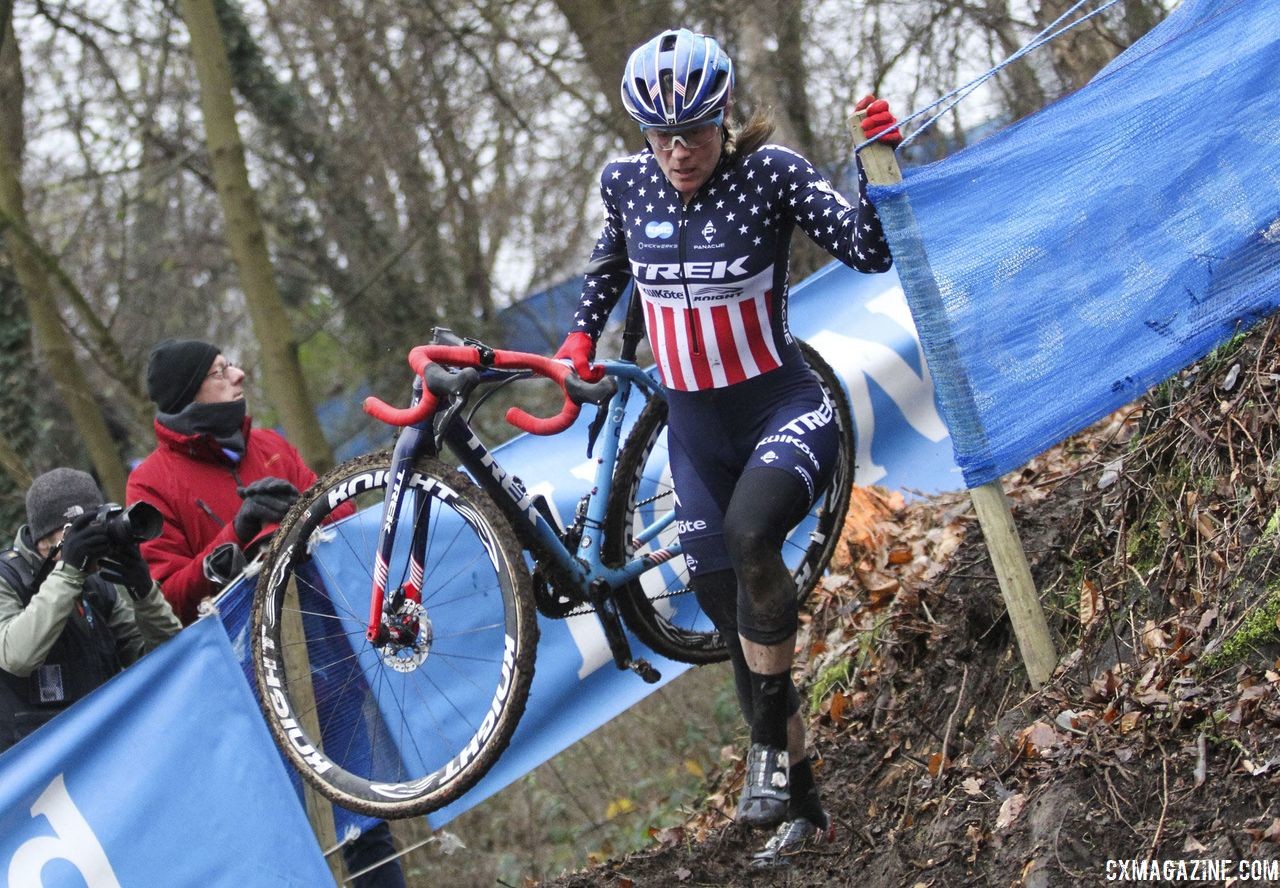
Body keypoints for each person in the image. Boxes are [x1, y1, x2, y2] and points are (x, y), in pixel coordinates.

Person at [554, 29, 901, 866]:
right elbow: (607, 267)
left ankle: (767, 759)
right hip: (693, 435)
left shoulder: (771, 174)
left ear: (725, 117)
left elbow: (868, 246)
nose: (678, 153)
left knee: (753, 541)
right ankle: (803, 801)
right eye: (662, 137)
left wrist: (880, 160)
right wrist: (577, 338)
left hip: (784, 408)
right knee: (732, 616)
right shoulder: (627, 184)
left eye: (696, 134)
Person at [127, 338, 405, 888]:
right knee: (287, 842)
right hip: (246, 693)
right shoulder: (151, 483)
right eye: (220, 370)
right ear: (189, 392)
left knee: (368, 821)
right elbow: (167, 598)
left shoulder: (271, 445)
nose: (239, 374)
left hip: (333, 665)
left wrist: (317, 512)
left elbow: (345, 519)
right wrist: (239, 533)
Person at [0, 468, 181, 753]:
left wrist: (144, 591)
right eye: (78, 531)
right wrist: (69, 571)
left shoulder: (98, 586)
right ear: (43, 541)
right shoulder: (7, 579)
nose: (90, 540)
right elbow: (17, 655)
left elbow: (167, 657)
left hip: (104, 749)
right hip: (38, 766)